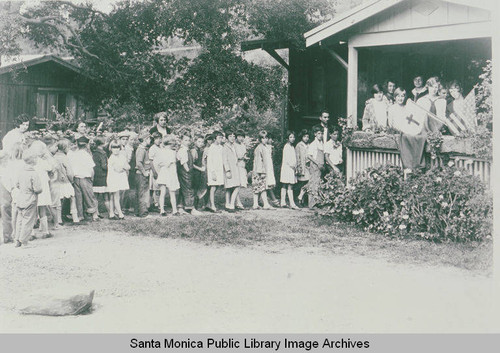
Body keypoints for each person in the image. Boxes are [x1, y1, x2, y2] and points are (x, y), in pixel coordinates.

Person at [389, 87, 426, 177]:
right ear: (395, 97)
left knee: (416, 138)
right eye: (398, 96)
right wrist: (402, 129)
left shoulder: (407, 108)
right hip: (399, 132)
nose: (400, 98)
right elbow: (391, 125)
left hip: (408, 131)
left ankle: (416, 166)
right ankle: (407, 167)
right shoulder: (391, 108)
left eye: (402, 96)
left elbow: (413, 121)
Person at [13, 148, 42, 247]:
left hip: (20, 197)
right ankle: (24, 241)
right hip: (30, 198)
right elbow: (38, 189)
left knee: (20, 220)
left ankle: (17, 240)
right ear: (34, 160)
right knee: (28, 220)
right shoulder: (33, 173)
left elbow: (16, 184)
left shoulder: (21, 171)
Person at [31, 140, 57, 239]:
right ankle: (45, 231)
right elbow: (51, 167)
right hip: (42, 188)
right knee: (42, 209)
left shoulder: (30, 161)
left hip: (33, 188)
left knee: (32, 211)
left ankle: (32, 233)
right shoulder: (42, 161)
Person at [71, 136, 99, 221]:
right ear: (87, 145)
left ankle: (80, 215)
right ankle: (94, 215)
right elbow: (91, 169)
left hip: (76, 178)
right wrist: (92, 178)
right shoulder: (87, 155)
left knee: (78, 198)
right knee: (89, 196)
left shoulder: (74, 154)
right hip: (85, 178)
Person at [53, 139, 78, 226]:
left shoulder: (54, 157)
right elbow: (69, 172)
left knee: (58, 200)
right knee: (72, 198)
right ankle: (75, 218)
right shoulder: (64, 158)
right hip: (65, 182)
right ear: (65, 147)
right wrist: (72, 180)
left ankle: (59, 219)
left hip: (56, 182)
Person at [154, 135, 180, 216]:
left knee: (163, 192)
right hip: (169, 173)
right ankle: (173, 210)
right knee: (171, 192)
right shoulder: (172, 153)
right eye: (171, 144)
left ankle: (163, 210)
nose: (172, 146)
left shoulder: (161, 151)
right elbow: (170, 162)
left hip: (164, 173)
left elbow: (158, 163)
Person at [177, 134, 201, 215]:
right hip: (185, 172)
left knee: (183, 189)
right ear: (181, 141)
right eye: (185, 140)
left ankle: (180, 207)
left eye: (188, 140)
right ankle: (190, 208)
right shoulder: (183, 150)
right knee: (188, 189)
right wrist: (188, 170)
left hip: (187, 172)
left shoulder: (187, 149)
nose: (187, 142)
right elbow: (183, 162)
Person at [107, 140, 130, 220]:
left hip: (120, 178)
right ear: (111, 148)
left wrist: (124, 167)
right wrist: (124, 168)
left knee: (116, 196)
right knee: (115, 196)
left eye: (117, 147)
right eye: (114, 148)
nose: (116, 149)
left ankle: (112, 213)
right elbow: (118, 169)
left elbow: (128, 166)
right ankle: (120, 213)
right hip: (113, 178)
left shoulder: (122, 156)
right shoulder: (111, 158)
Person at [252, 130, 273, 210]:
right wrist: (261, 172)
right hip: (259, 171)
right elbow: (259, 161)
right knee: (258, 188)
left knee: (262, 187)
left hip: (263, 171)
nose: (265, 140)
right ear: (260, 139)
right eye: (263, 138)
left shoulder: (265, 147)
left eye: (266, 138)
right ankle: (258, 204)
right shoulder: (259, 148)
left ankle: (260, 204)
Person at [305, 126, 324, 208]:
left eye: (321, 133)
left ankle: (317, 202)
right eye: (318, 133)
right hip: (315, 165)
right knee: (313, 183)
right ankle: (311, 204)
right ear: (315, 134)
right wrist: (317, 163)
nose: (320, 135)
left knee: (318, 183)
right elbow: (309, 156)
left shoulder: (322, 143)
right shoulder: (313, 144)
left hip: (320, 165)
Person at [222, 130, 241, 212]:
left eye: (233, 136)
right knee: (234, 186)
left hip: (235, 169)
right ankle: (231, 205)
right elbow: (224, 160)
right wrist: (228, 170)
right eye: (230, 136)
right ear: (226, 138)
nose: (232, 138)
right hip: (230, 169)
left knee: (231, 187)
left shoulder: (234, 146)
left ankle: (228, 204)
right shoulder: (225, 147)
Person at [279, 131, 299, 209]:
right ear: (287, 138)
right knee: (287, 184)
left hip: (291, 168)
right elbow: (287, 159)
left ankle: (284, 202)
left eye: (293, 137)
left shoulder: (292, 147)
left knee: (289, 184)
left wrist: (295, 167)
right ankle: (291, 203)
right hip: (288, 168)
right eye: (290, 137)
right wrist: (294, 167)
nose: (292, 139)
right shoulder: (286, 147)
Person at [135, 130, 152, 218]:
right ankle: (143, 213)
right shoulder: (141, 150)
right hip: (141, 174)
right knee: (143, 193)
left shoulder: (144, 149)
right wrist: (144, 172)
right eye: (149, 139)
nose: (150, 141)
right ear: (145, 139)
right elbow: (139, 163)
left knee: (141, 193)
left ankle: (139, 211)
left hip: (143, 174)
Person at [206, 131, 224, 212]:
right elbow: (210, 161)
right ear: (214, 138)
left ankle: (209, 204)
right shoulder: (211, 148)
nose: (221, 139)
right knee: (213, 187)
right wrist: (212, 172)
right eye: (219, 137)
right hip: (213, 170)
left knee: (217, 186)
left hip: (219, 170)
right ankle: (212, 206)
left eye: (221, 137)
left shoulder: (221, 147)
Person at [91, 136, 109, 218]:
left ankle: (96, 213)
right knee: (105, 196)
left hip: (95, 176)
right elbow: (104, 166)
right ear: (103, 144)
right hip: (102, 176)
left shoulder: (94, 153)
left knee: (96, 197)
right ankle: (110, 212)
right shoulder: (103, 153)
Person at [191, 135, 207, 211]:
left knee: (198, 188)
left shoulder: (201, 150)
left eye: (202, 142)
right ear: (195, 142)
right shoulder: (194, 151)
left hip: (199, 172)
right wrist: (200, 169)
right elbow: (191, 164)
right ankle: (193, 206)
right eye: (199, 141)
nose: (201, 143)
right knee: (194, 189)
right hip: (195, 172)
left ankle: (196, 206)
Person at [295, 129, 310, 207]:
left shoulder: (309, 145)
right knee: (302, 183)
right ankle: (300, 199)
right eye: (304, 136)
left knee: (308, 182)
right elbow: (297, 157)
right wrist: (298, 166)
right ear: (302, 137)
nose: (306, 138)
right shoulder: (299, 145)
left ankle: (300, 197)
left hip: (308, 167)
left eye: (307, 137)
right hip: (302, 167)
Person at [148, 132, 162, 211]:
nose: (158, 140)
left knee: (159, 188)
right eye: (156, 139)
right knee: (154, 188)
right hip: (155, 170)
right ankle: (155, 204)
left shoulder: (160, 147)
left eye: (159, 138)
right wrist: (154, 172)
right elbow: (150, 161)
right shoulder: (152, 148)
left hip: (160, 170)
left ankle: (158, 203)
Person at [234, 130, 248, 210]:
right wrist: (241, 157)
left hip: (242, 165)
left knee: (240, 184)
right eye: (239, 136)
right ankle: (237, 202)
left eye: (242, 137)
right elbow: (236, 156)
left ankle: (237, 201)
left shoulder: (243, 145)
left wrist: (245, 158)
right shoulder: (234, 145)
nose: (241, 138)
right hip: (236, 166)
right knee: (237, 184)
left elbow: (244, 154)